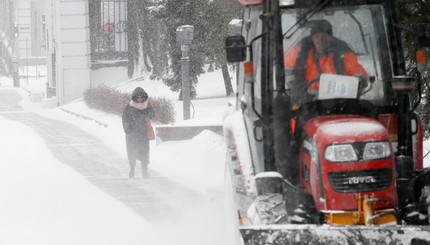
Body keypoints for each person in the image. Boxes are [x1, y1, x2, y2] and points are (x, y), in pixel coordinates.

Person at [284, 20, 368, 107]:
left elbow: (358, 74)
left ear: (330, 38)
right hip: (306, 104)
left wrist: (356, 85)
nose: (320, 41)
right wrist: (295, 89)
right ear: (312, 38)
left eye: (323, 37)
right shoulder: (301, 52)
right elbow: (283, 69)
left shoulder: (343, 53)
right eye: (316, 37)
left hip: (338, 103)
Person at [122, 87, 154, 178]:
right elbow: (124, 119)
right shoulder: (129, 107)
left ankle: (145, 171)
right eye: (138, 97)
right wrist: (127, 130)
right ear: (134, 97)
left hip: (143, 134)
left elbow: (152, 115)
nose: (139, 99)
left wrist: (147, 114)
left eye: (141, 97)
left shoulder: (147, 106)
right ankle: (132, 169)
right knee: (132, 153)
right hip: (132, 135)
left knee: (145, 153)